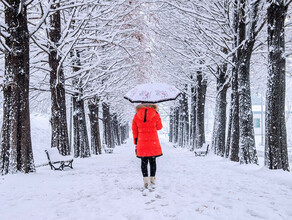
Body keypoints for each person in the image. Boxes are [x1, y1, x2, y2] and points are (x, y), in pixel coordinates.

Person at [132, 103, 163, 189]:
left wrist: (136, 142)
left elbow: (134, 130)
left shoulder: (136, 115)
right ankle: (152, 180)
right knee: (153, 161)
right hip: (153, 142)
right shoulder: (155, 114)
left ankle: (145, 181)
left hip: (142, 142)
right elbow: (159, 127)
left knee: (143, 162)